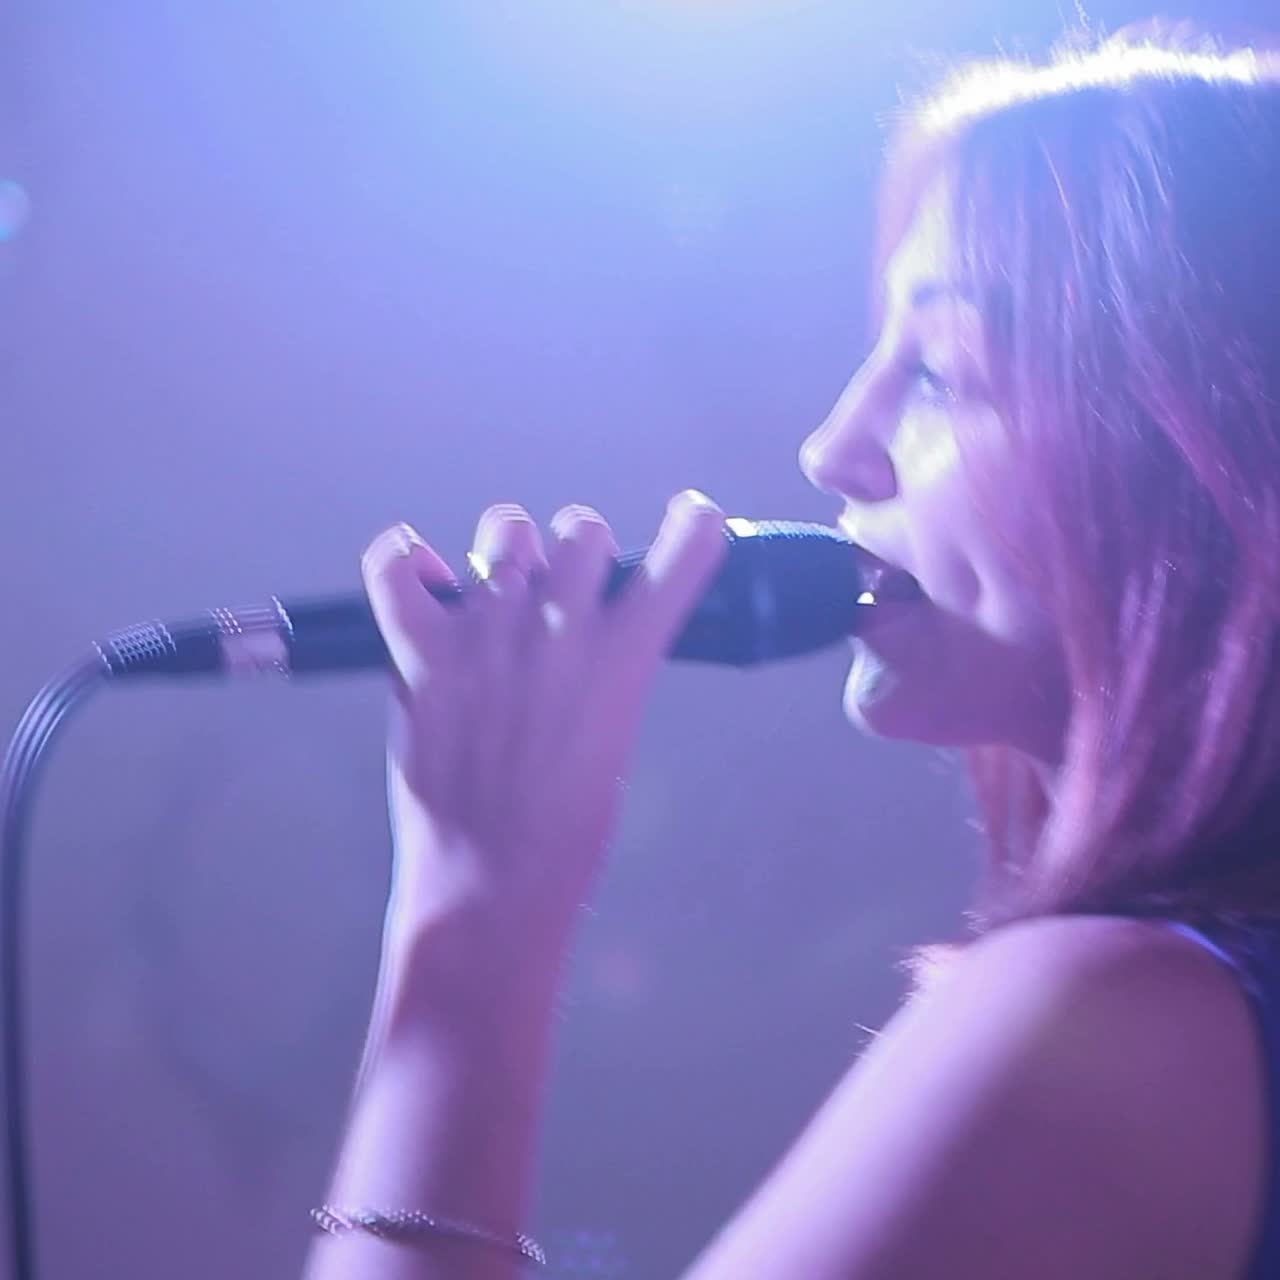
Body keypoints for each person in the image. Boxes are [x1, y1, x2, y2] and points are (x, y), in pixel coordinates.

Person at [303, 29, 1280, 1280]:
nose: (833, 447)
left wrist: (472, 920)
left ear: (1205, 454)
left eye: (937, 369)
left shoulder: (1112, 1029)